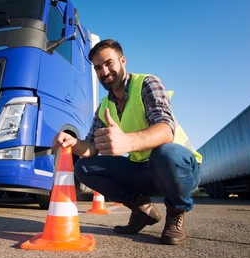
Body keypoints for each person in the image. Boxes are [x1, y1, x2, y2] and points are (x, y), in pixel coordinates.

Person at [52, 39, 201, 245]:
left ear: (122, 61)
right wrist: (74, 143)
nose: (104, 71)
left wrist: (127, 142)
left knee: (166, 153)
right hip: (145, 171)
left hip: (179, 170)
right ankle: (141, 210)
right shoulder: (105, 104)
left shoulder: (147, 83)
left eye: (109, 63)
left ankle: (176, 211)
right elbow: (92, 147)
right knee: (84, 167)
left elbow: (166, 129)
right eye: (97, 68)